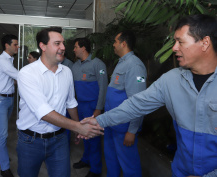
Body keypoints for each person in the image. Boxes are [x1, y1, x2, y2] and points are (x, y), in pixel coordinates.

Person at [81, 14, 217, 177]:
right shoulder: (171, 80)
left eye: (180, 42)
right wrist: (97, 121)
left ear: (205, 43)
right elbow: (135, 105)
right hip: (181, 171)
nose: (174, 48)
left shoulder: (135, 65)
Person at [16, 27, 103, 177]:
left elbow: (70, 102)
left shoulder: (67, 72)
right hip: (30, 141)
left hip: (59, 140)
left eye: (63, 43)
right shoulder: (27, 73)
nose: (63, 47)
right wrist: (77, 126)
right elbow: (43, 112)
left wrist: (76, 127)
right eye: (57, 43)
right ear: (43, 46)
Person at [103, 30, 146, 177]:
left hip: (123, 127)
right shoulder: (121, 63)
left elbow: (138, 101)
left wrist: (132, 130)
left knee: (129, 164)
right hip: (111, 123)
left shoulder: (135, 66)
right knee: (111, 159)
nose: (113, 45)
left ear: (123, 43)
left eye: (115, 42)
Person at [71, 38, 108, 177]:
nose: (73, 50)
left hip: (92, 108)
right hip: (79, 105)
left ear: (83, 48)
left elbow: (103, 88)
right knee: (83, 135)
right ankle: (86, 160)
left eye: (75, 47)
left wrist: (98, 109)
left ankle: (96, 169)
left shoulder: (98, 64)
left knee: (93, 137)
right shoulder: (75, 66)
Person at [0, 34, 19, 177]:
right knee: (3, 134)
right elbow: (18, 76)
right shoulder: (2, 60)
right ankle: (4, 168)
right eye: (15, 44)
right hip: (1, 101)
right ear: (7, 45)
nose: (17, 46)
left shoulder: (9, 60)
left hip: (8, 99)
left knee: (0, 130)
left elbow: (9, 79)